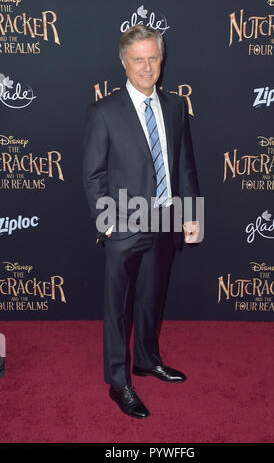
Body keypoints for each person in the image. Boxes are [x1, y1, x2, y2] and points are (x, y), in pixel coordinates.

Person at [83, 25, 200, 419]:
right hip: (124, 224)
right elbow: (93, 175)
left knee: (152, 298)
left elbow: (184, 163)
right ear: (123, 62)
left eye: (153, 58)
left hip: (166, 219)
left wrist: (189, 214)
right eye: (138, 59)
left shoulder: (175, 106)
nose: (147, 67)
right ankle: (119, 382)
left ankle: (147, 360)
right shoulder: (104, 111)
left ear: (161, 60)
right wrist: (109, 224)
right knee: (117, 307)